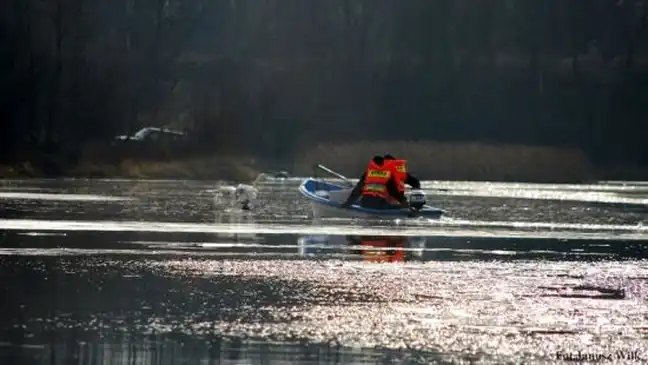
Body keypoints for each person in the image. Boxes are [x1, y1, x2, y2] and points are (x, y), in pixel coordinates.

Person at [340, 155, 408, 210]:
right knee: (397, 207)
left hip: (365, 202)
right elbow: (395, 191)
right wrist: (405, 204)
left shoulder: (369, 172)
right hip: (379, 205)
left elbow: (358, 189)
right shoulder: (390, 174)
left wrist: (348, 203)